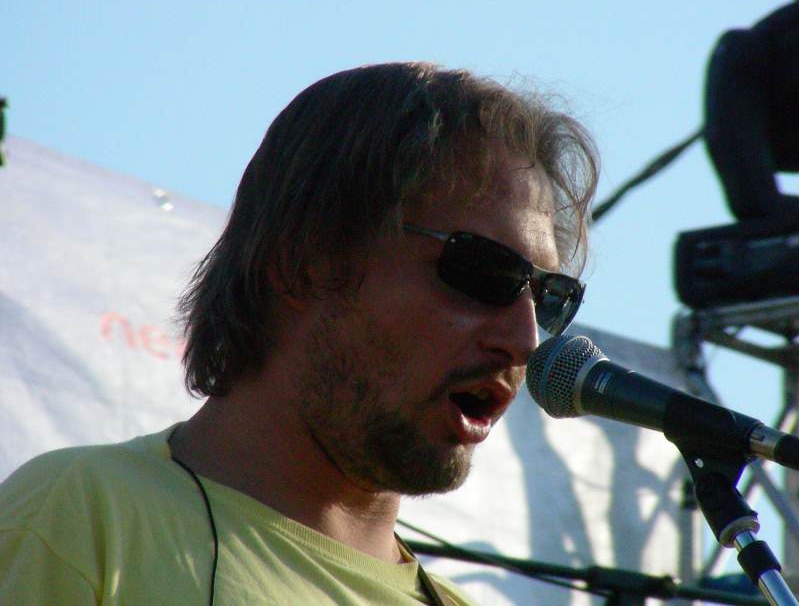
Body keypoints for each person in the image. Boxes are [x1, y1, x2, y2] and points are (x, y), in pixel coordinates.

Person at [0, 62, 597, 604]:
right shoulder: (81, 516)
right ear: (304, 263)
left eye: (549, 296)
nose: (525, 340)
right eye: (486, 272)